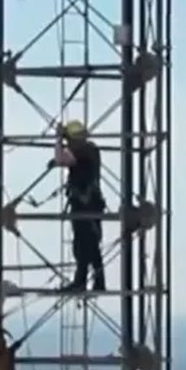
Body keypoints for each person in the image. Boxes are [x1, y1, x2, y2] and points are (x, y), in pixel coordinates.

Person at [51, 119, 106, 292]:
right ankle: (93, 282)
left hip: (85, 203)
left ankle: (82, 281)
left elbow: (61, 159)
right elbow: (67, 160)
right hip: (91, 203)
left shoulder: (82, 151)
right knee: (88, 244)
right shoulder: (90, 150)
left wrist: (58, 139)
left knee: (84, 244)